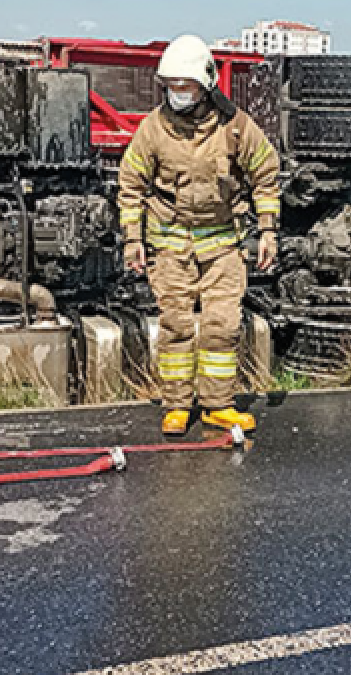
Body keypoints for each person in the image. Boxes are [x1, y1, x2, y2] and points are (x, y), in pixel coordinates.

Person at [116, 34, 281, 436]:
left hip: (223, 245)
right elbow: (131, 184)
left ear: (205, 84)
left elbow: (265, 175)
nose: (177, 93)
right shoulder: (153, 129)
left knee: (221, 325)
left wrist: (268, 231)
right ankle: (176, 404)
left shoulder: (236, 128)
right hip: (170, 246)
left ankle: (217, 405)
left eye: (185, 86)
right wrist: (133, 239)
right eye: (171, 85)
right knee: (175, 326)